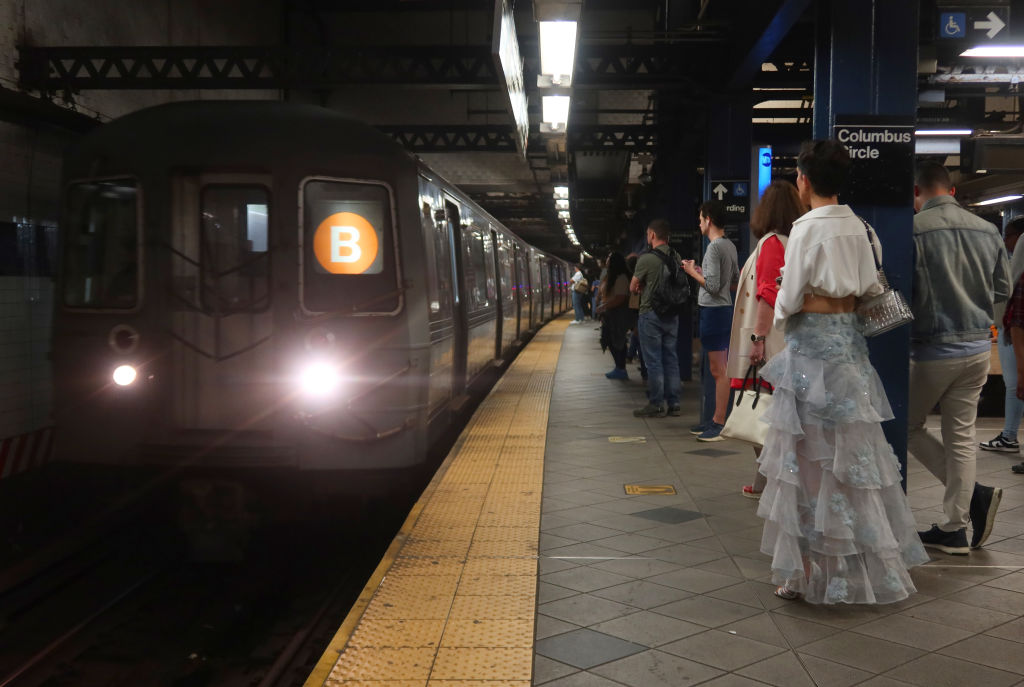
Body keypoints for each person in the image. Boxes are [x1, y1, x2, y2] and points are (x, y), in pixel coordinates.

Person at [758, 139, 928, 604]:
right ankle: (860, 569)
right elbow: (873, 285)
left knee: (806, 462)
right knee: (855, 459)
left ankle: (805, 573)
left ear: (804, 181)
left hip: (811, 352)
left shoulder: (806, 229)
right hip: (851, 353)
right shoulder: (863, 227)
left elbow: (788, 298)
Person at [909, 161, 1010, 555]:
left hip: (934, 349)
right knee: (963, 438)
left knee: (907, 427)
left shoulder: (914, 231)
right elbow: (1001, 289)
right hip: (977, 349)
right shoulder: (988, 230)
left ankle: (972, 500)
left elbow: (904, 291)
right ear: (949, 190)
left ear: (917, 193)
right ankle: (956, 526)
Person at [725, 180, 803, 498]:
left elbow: (767, 294)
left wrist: (758, 338)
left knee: (763, 411)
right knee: (769, 412)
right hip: (782, 338)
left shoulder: (771, 243)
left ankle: (772, 481)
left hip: (768, 341)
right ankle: (764, 479)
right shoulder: (789, 241)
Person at [683, 201, 739, 441]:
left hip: (714, 312)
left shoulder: (714, 248)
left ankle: (718, 423)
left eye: (700, 218)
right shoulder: (730, 246)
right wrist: (705, 274)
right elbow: (734, 280)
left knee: (719, 370)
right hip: (723, 310)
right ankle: (715, 419)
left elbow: (714, 287)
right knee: (719, 369)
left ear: (709, 220)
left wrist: (692, 272)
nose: (699, 223)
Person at [630, 219, 682, 418]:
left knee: (653, 360)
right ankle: (674, 402)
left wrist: (643, 285)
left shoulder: (646, 259)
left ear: (652, 235)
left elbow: (633, 287)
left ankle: (656, 402)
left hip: (650, 314)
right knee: (671, 358)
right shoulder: (676, 256)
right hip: (672, 314)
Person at [981, 217, 1024, 455]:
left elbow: (1009, 285)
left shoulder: (1021, 251)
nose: (1005, 240)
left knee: (1014, 384)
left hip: (1014, 328)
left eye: (1008, 235)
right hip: (1011, 327)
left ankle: (1009, 436)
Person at [597, 252, 631, 379]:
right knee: (611, 340)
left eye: (609, 258)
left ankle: (621, 369)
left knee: (618, 341)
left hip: (618, 314)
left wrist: (604, 306)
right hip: (610, 314)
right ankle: (618, 367)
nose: (607, 260)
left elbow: (620, 298)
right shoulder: (611, 276)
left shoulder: (621, 277)